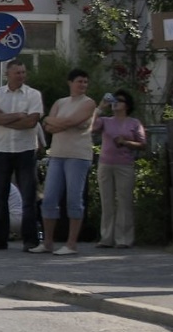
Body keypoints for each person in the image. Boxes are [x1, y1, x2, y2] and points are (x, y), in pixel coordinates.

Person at [0, 58, 43, 252]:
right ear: (7, 74)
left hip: (25, 151)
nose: (21, 76)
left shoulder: (33, 95)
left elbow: (31, 122)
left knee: (28, 197)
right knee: (0, 197)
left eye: (23, 72)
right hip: (1, 151)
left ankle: (30, 240)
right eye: (17, 73)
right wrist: (18, 115)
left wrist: (4, 119)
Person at [36, 68, 97, 255]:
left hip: (78, 156)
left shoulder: (88, 103)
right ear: (70, 83)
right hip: (57, 154)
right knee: (49, 198)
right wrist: (56, 122)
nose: (83, 85)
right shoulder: (60, 102)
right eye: (79, 81)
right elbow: (48, 126)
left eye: (85, 82)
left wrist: (54, 121)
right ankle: (48, 242)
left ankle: (71, 243)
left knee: (73, 199)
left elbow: (72, 121)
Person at [94, 89, 146, 248]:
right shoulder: (105, 121)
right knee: (107, 201)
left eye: (120, 100)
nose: (116, 103)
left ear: (127, 105)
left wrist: (126, 142)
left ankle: (123, 239)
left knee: (124, 201)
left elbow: (142, 144)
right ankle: (106, 238)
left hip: (124, 165)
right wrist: (100, 107)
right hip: (105, 164)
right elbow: (90, 126)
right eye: (114, 100)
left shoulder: (134, 123)